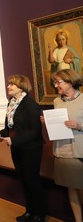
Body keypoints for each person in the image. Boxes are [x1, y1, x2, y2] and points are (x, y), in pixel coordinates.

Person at [0, 75, 45, 222]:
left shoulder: (30, 104)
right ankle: (29, 212)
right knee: (23, 180)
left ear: (21, 87)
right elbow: (11, 126)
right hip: (17, 146)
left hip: (31, 147)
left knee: (32, 180)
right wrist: (0, 134)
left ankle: (39, 215)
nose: (8, 86)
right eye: (9, 84)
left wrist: (14, 139)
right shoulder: (11, 103)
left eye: (12, 84)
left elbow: (35, 130)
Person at [50, 69, 83, 222]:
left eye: (58, 82)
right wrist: (49, 122)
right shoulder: (57, 101)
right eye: (55, 82)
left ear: (70, 81)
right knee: (71, 187)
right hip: (62, 150)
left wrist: (79, 125)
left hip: (80, 151)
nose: (56, 85)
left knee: (81, 187)